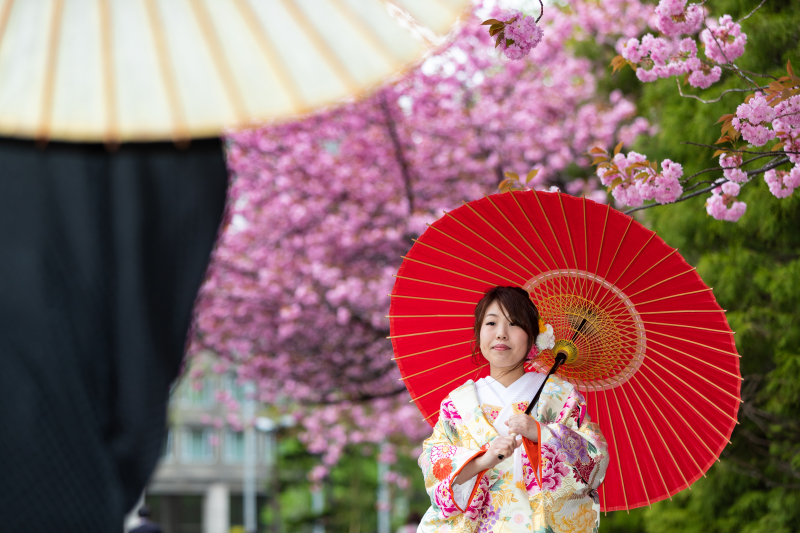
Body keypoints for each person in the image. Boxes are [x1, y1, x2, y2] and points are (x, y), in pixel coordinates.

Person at [417, 286, 608, 533]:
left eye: (514, 324)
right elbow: (434, 468)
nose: (501, 334)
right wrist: (483, 460)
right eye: (491, 323)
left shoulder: (559, 397)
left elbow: (594, 459)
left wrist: (541, 434)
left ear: (532, 336)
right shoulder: (457, 403)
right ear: (478, 333)